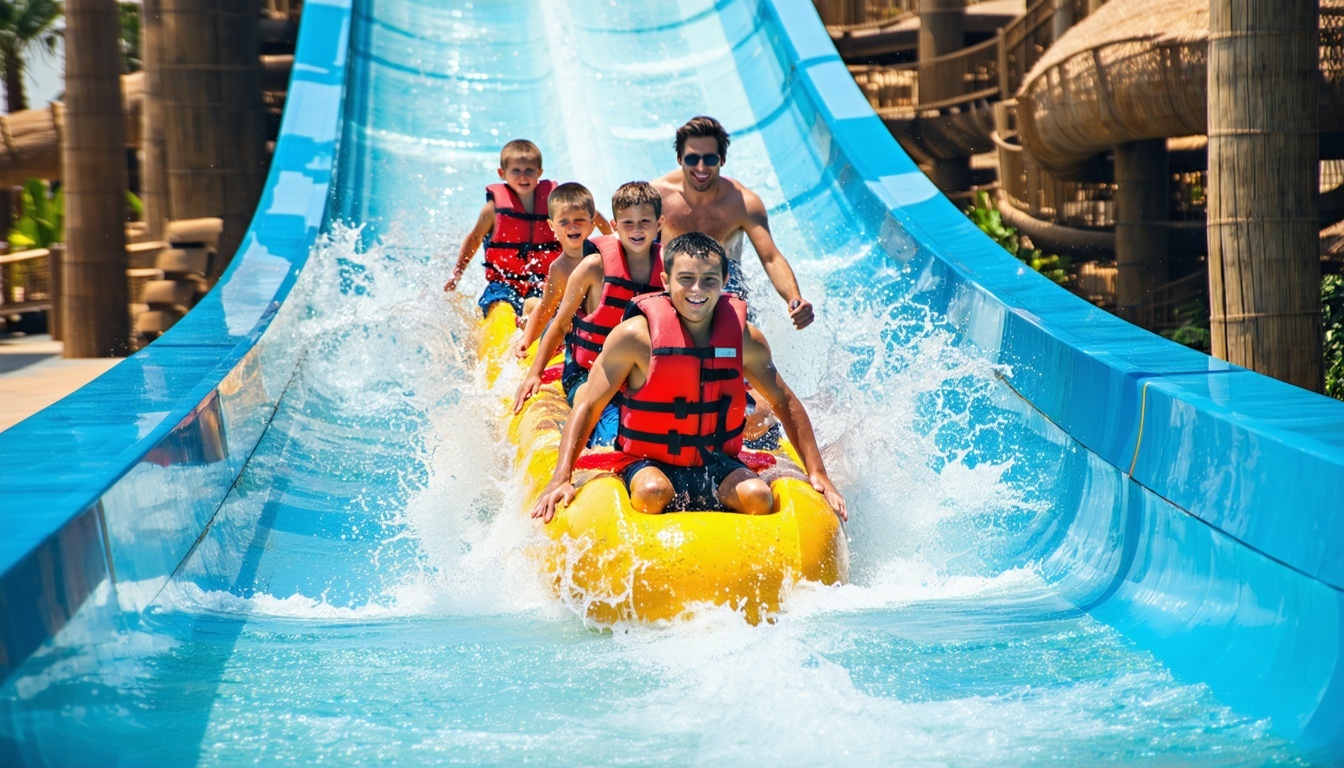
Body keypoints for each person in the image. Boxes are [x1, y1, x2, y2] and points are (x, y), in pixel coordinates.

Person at [529, 232, 846, 524]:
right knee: (651, 493)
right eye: (686, 279)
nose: (697, 290)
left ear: (724, 280)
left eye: (709, 279)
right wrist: (562, 477)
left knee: (758, 497)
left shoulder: (743, 337)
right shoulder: (635, 337)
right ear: (665, 281)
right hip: (648, 459)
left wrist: (818, 473)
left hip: (715, 461)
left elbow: (784, 401)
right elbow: (588, 405)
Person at [513, 181, 666, 447]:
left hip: (637, 373)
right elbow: (560, 325)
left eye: (645, 221)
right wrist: (534, 374)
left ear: (659, 223)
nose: (637, 230)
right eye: (628, 223)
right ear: (615, 226)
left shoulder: (670, 270)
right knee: (609, 426)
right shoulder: (593, 268)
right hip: (588, 371)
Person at [653, 116, 815, 330]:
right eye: (692, 159)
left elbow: (770, 257)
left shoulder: (743, 203)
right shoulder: (658, 197)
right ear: (679, 158)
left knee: (734, 309)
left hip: (724, 283)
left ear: (722, 159)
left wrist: (794, 299)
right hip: (674, 280)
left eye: (709, 159)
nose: (701, 167)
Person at [445, 139, 611, 322]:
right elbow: (475, 239)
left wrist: (612, 243)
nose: (523, 176)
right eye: (516, 170)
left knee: (539, 303)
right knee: (499, 306)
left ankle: (529, 325)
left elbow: (592, 216)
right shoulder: (493, 209)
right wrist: (457, 274)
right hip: (504, 281)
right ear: (502, 173)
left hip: (542, 280)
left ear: (539, 173)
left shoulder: (553, 204)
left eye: (529, 171)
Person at [512, 182, 602, 358]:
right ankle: (525, 319)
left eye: (579, 220)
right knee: (545, 316)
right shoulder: (560, 268)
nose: (572, 226)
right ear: (552, 226)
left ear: (592, 223)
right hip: (570, 332)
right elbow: (547, 306)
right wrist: (526, 340)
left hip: (600, 331)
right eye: (564, 222)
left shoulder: (604, 255)